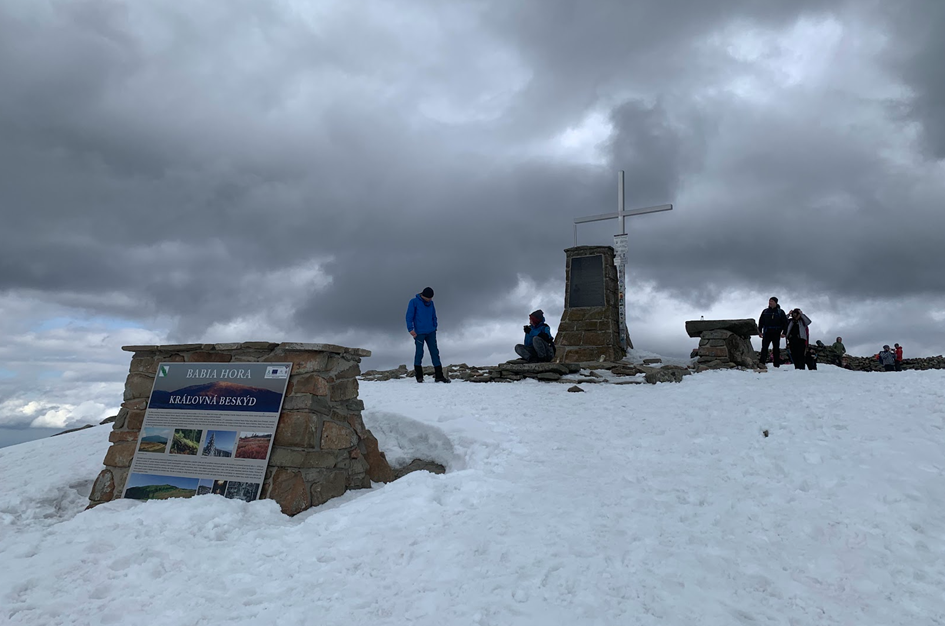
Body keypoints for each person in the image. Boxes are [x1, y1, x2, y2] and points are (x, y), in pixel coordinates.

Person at [405, 287, 450, 383]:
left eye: (431, 298)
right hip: (419, 333)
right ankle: (419, 377)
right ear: (423, 295)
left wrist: (435, 326)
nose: (430, 300)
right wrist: (410, 329)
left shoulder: (431, 303)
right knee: (419, 353)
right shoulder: (414, 302)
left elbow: (434, 315)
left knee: (435, 352)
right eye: (428, 298)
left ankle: (439, 376)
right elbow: (409, 316)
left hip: (431, 332)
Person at [758, 297, 788, 367]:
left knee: (776, 348)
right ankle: (762, 363)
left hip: (776, 333)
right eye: (769, 301)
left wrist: (784, 333)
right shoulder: (765, 311)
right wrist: (759, 331)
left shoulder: (780, 312)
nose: (770, 302)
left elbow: (785, 323)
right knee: (764, 348)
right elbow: (761, 322)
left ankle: (776, 364)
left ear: (775, 302)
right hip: (767, 332)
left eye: (772, 301)